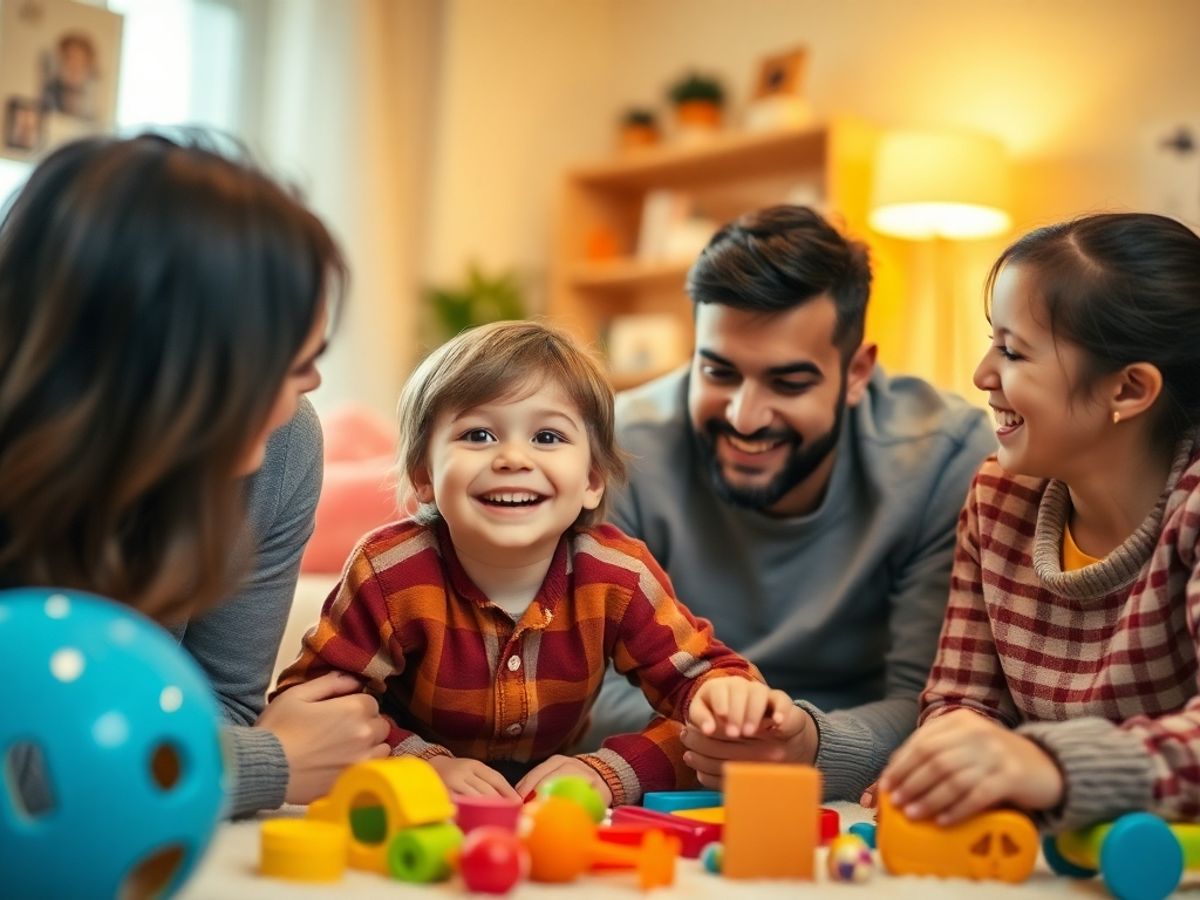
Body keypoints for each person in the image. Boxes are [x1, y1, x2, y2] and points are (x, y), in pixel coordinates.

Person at [0, 133, 389, 817]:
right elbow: (21, 775)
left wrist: (225, 757)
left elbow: (217, 706)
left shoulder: (284, 446)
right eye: (289, 361)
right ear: (177, 361)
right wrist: (270, 763)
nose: (313, 381)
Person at [584, 205, 997, 800]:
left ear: (856, 373)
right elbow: (578, 684)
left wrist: (811, 746)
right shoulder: (621, 449)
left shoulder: (942, 457)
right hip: (670, 771)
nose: (745, 417)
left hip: (850, 785)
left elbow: (937, 700)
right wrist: (717, 733)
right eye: (718, 372)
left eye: (789, 383)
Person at [274, 320, 779, 806]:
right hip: (408, 803)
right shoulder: (388, 571)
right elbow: (309, 711)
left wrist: (610, 771)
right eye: (478, 436)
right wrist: (420, 764)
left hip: (552, 794)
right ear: (424, 474)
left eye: (547, 437)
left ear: (592, 480)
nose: (513, 458)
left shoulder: (619, 575)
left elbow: (704, 684)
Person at [877, 212, 1200, 831]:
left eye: (1013, 351)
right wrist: (949, 765)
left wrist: (1048, 765)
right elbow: (962, 699)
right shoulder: (998, 497)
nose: (981, 376)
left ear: (1129, 390)